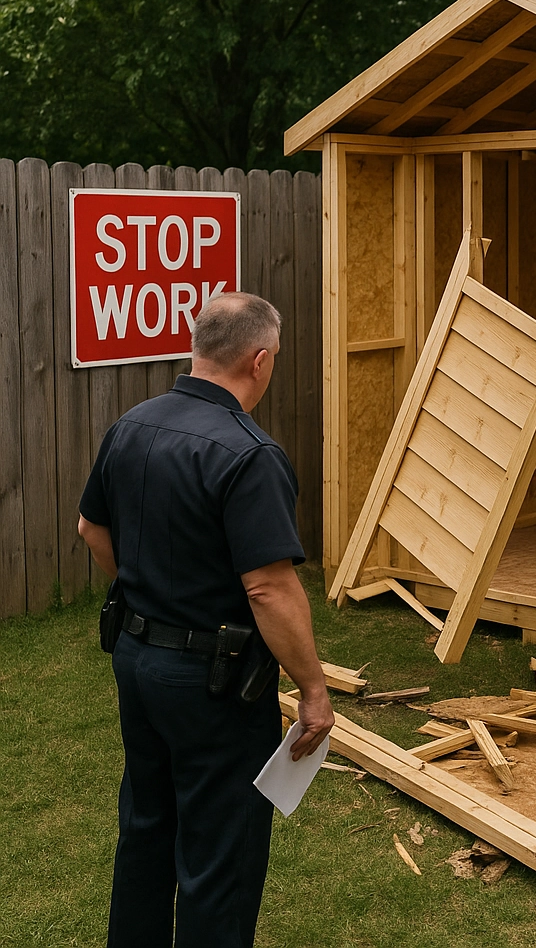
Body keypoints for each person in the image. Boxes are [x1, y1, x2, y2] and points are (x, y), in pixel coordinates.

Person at [78, 291, 335, 948]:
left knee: (145, 828)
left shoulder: (130, 426)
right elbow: (271, 588)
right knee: (220, 855)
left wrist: (148, 596)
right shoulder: (250, 455)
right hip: (213, 685)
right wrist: (313, 690)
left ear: (197, 350)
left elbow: (91, 528)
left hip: (137, 661)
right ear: (259, 360)